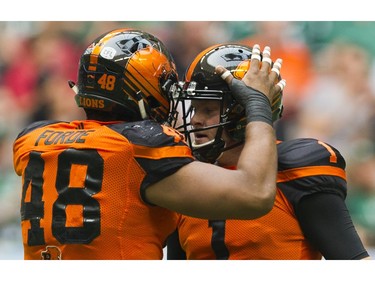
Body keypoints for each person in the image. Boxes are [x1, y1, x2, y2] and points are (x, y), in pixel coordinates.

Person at [12, 28, 285, 259]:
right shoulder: (139, 148)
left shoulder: (32, 139)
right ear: (144, 91)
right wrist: (257, 104)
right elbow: (255, 194)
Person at [167, 43, 370, 260]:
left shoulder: (296, 170)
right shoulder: (185, 176)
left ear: (243, 113)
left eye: (208, 109)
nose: (196, 120)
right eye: (195, 108)